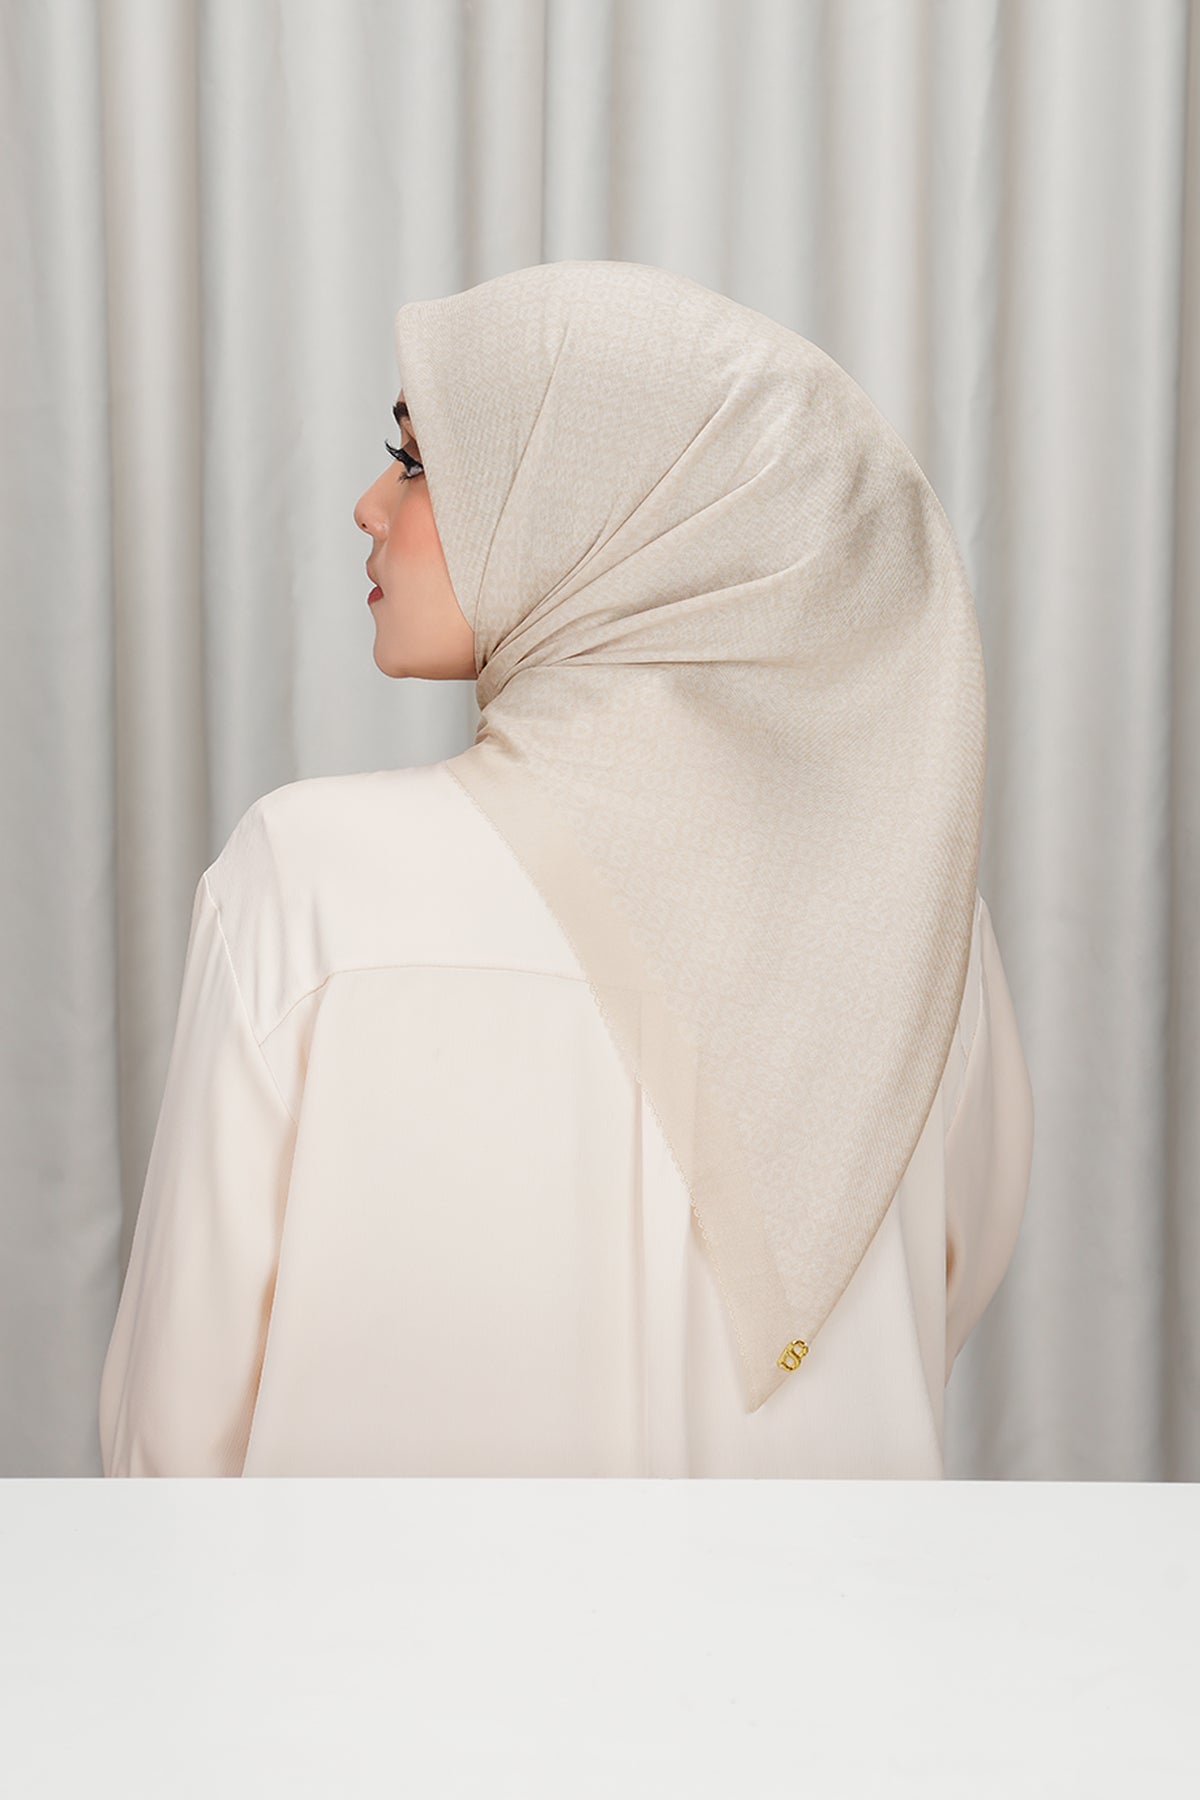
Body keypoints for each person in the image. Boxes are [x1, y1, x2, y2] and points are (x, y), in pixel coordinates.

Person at [98, 259, 1034, 1477]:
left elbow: (173, 1439)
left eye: (416, 460)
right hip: (819, 1606)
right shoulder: (913, 917)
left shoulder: (309, 884)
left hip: (367, 1610)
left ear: (598, 502)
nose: (370, 506)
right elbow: (932, 1303)